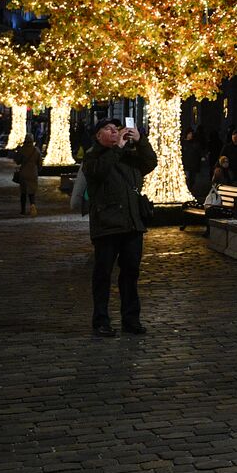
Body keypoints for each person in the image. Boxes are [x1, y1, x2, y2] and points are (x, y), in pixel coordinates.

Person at [82, 117, 158, 338]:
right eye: (109, 129)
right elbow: (99, 171)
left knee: (130, 273)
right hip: (107, 225)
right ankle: (101, 320)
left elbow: (150, 162)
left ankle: (131, 319)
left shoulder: (128, 155)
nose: (115, 132)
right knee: (103, 275)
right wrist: (117, 148)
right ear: (98, 136)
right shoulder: (93, 156)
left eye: (117, 129)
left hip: (132, 224)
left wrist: (141, 141)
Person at [15, 136, 44, 217]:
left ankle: (23, 210)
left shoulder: (22, 150)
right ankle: (33, 206)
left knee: (23, 192)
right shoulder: (36, 150)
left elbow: (17, 161)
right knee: (32, 192)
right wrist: (39, 169)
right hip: (33, 173)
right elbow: (40, 163)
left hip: (24, 173)